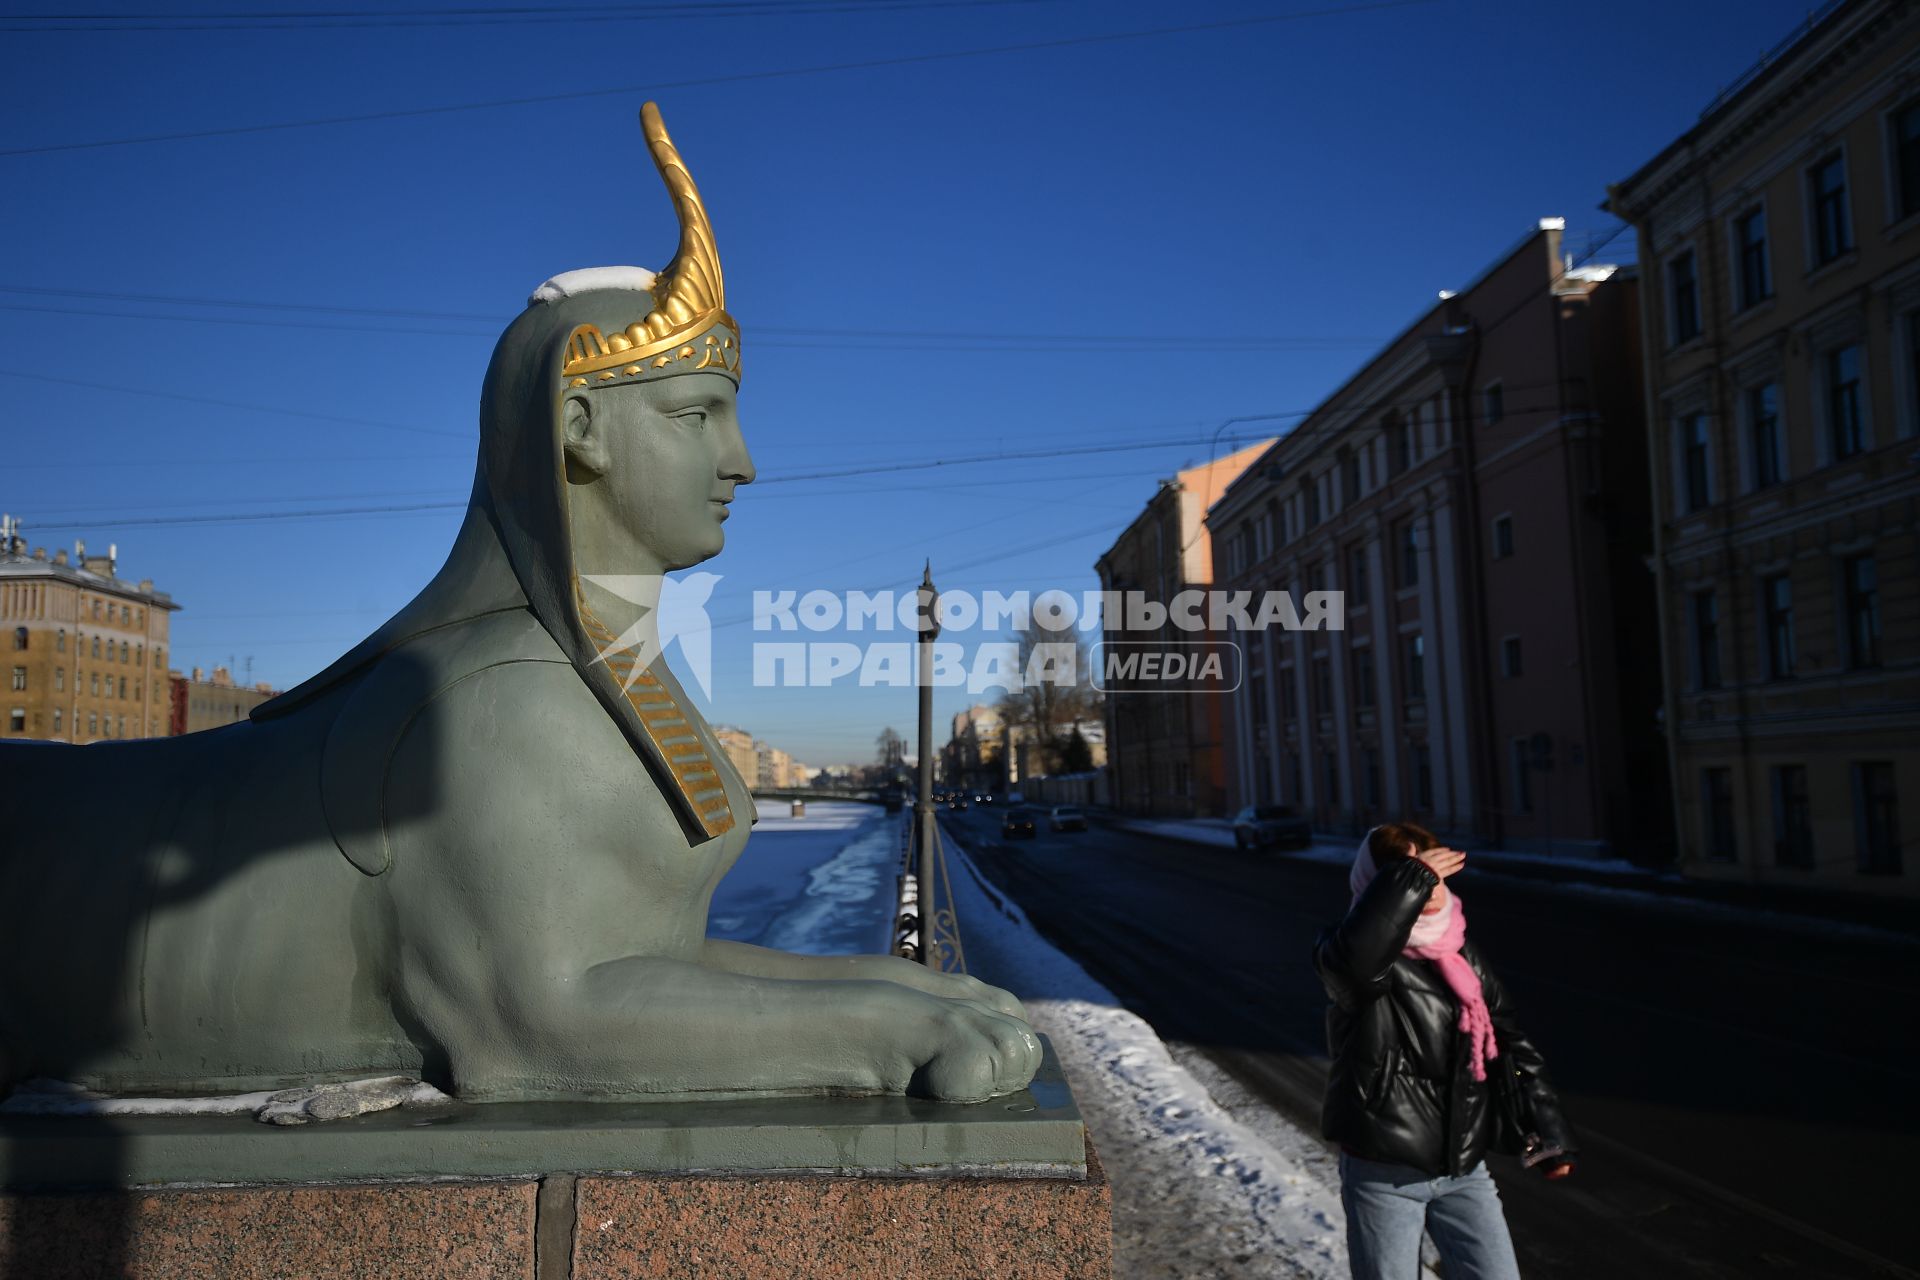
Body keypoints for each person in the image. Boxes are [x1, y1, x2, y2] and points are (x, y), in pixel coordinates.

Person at [1315, 822, 1575, 1279]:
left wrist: (1547, 1130)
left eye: (1434, 871)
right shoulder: (1351, 955)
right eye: (1415, 874)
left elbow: (1510, 1042)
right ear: (1383, 885)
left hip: (1464, 1167)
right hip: (1385, 1172)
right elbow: (1355, 960)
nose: (1431, 886)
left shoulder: (1458, 951)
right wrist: (1409, 880)